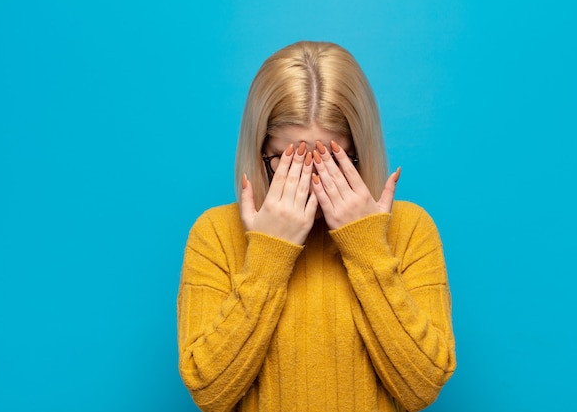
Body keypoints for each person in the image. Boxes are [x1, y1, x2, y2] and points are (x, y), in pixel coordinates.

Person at [177, 41, 456, 412]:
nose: (310, 181)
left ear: (360, 151)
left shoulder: (410, 228)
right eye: (289, 160)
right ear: (260, 152)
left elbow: (421, 387)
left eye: (330, 160)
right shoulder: (214, 233)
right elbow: (210, 392)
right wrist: (268, 255)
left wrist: (366, 247)